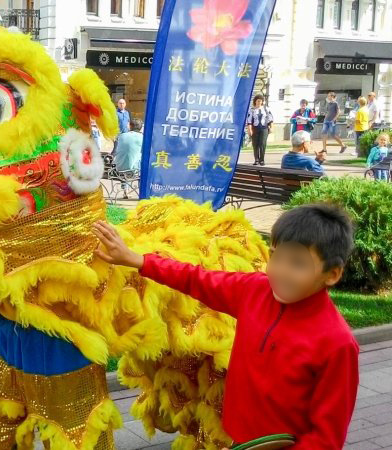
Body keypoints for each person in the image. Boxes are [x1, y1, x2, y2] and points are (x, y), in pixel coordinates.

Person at [92, 203, 359, 449]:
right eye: (276, 257)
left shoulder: (337, 344)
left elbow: (327, 436)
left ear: (332, 274)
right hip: (237, 439)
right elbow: (196, 279)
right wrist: (137, 260)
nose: (280, 271)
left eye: (298, 263)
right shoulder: (255, 290)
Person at [245, 94, 273, 165]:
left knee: (262, 144)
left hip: (264, 128)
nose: (259, 102)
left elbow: (270, 119)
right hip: (255, 129)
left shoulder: (266, 109)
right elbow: (249, 121)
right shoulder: (252, 110)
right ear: (255, 101)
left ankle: (262, 160)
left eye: (260, 101)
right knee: (255, 144)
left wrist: (271, 127)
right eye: (258, 101)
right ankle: (256, 159)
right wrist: (250, 130)